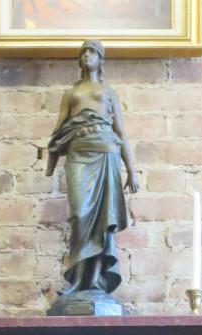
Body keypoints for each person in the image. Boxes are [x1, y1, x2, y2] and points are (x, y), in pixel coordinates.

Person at [46, 40, 139, 302]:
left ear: (100, 58)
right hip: (78, 153)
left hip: (106, 153)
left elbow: (121, 132)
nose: (86, 55)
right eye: (83, 52)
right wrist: (51, 160)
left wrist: (132, 171)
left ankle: (96, 279)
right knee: (79, 214)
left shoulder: (108, 92)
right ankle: (76, 278)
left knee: (103, 219)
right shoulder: (71, 93)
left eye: (91, 52)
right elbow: (59, 128)